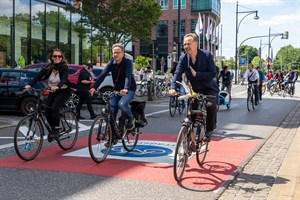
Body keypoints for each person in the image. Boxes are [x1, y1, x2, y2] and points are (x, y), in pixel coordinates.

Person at [168, 33, 219, 142]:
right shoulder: (183, 58)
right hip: (195, 89)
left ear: (196, 44)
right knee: (191, 115)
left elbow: (213, 73)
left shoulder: (206, 55)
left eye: (189, 44)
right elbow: (177, 73)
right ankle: (188, 142)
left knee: (210, 106)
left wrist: (197, 74)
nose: (186, 46)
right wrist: (173, 87)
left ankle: (209, 130)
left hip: (208, 88)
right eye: (185, 44)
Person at [90, 43, 136, 145]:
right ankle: (112, 137)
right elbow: (102, 75)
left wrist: (126, 89)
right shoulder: (111, 63)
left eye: (118, 52)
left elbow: (128, 76)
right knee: (111, 113)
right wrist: (94, 87)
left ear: (123, 53)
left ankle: (131, 118)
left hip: (129, 89)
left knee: (122, 104)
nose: (115, 54)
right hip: (116, 90)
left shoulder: (127, 63)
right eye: (114, 52)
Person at [25, 49, 71, 142]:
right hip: (52, 91)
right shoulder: (48, 67)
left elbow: (64, 79)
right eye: (55, 56)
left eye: (59, 56)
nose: (57, 58)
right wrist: (30, 84)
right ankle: (53, 129)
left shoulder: (64, 67)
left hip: (64, 91)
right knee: (46, 109)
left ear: (62, 58)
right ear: (51, 57)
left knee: (55, 108)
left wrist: (57, 86)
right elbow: (38, 76)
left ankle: (57, 129)